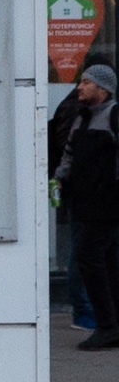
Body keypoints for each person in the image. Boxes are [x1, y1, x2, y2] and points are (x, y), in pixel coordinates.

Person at [55, 64, 119, 351]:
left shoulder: (113, 117)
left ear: (102, 90)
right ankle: (111, 325)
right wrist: (58, 180)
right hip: (84, 205)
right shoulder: (82, 119)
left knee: (89, 259)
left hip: (106, 206)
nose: (79, 87)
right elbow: (69, 154)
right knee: (107, 262)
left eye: (86, 83)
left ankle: (106, 325)